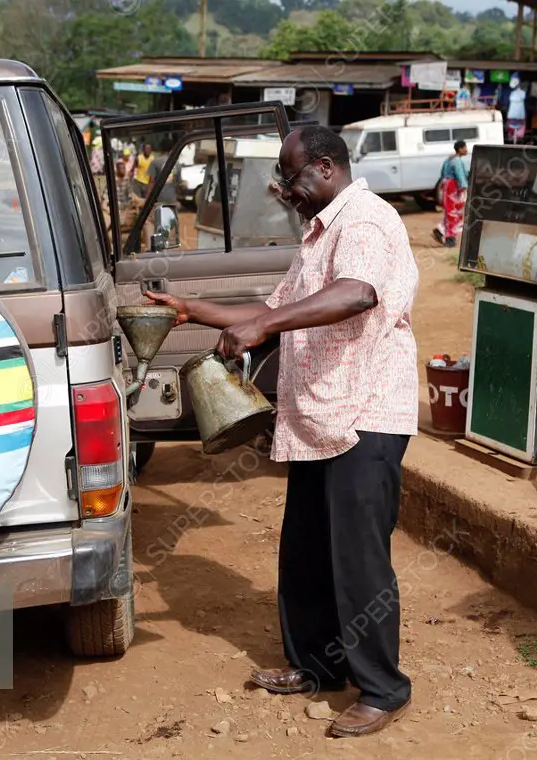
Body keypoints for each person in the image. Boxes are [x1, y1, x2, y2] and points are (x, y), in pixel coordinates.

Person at [147, 125, 419, 739]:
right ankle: (316, 667)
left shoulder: (366, 221)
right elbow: (267, 314)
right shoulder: (319, 233)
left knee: (358, 560)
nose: (286, 191)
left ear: (325, 168)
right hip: (321, 419)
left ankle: (382, 688)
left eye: (291, 178)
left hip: (364, 416)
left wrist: (262, 329)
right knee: (305, 552)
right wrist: (191, 311)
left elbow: (357, 293)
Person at [432, 140, 469, 248]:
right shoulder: (457, 161)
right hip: (453, 187)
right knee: (454, 212)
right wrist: (464, 187)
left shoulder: (449, 159)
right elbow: (460, 175)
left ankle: (441, 229)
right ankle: (450, 239)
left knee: (450, 211)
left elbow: (443, 173)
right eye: (465, 147)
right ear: (460, 148)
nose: (466, 150)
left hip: (446, 185)